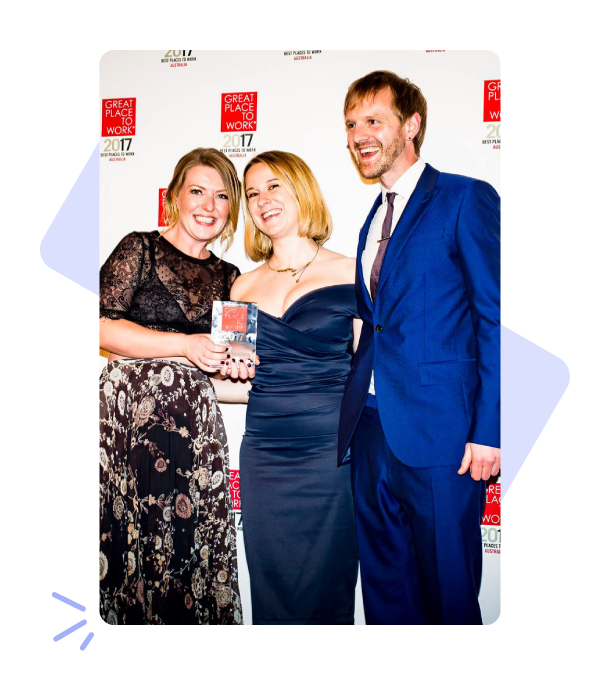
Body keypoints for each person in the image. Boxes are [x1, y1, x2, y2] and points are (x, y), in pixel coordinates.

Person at [339, 71, 509, 625]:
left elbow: (496, 319)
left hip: (442, 438)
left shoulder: (465, 198)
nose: (358, 135)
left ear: (410, 125)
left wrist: (488, 430)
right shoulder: (370, 220)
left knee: (449, 597)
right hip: (370, 431)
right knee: (388, 599)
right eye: (350, 125)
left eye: (372, 120)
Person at [99, 147, 250, 625]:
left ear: (232, 208)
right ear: (174, 197)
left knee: (186, 555)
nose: (208, 205)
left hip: (192, 431)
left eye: (222, 196)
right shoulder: (137, 249)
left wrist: (255, 369)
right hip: (124, 425)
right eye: (198, 191)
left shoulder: (232, 280)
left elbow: (231, 369)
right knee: (120, 549)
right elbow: (97, 327)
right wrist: (184, 346)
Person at [229, 151, 360, 625]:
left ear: (302, 189)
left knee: (328, 582)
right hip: (265, 454)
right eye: (253, 193)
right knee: (273, 584)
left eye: (274, 186)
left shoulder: (355, 271)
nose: (263, 200)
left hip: (331, 452)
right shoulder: (240, 288)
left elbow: (370, 373)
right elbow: (230, 383)